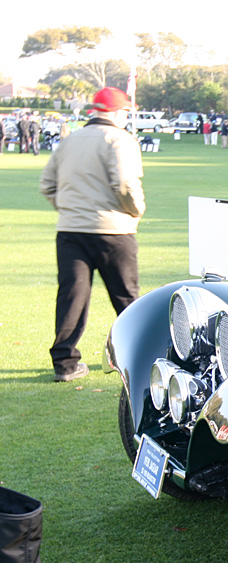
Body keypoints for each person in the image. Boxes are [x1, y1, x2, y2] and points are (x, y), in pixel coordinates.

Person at [39, 87, 146, 382]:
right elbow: (125, 183)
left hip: (71, 231)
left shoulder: (70, 140)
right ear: (117, 112)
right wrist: (136, 209)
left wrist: (71, 209)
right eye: (126, 112)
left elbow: (47, 185)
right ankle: (139, 358)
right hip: (113, 230)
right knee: (126, 298)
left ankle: (65, 363)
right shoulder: (120, 139)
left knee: (72, 296)